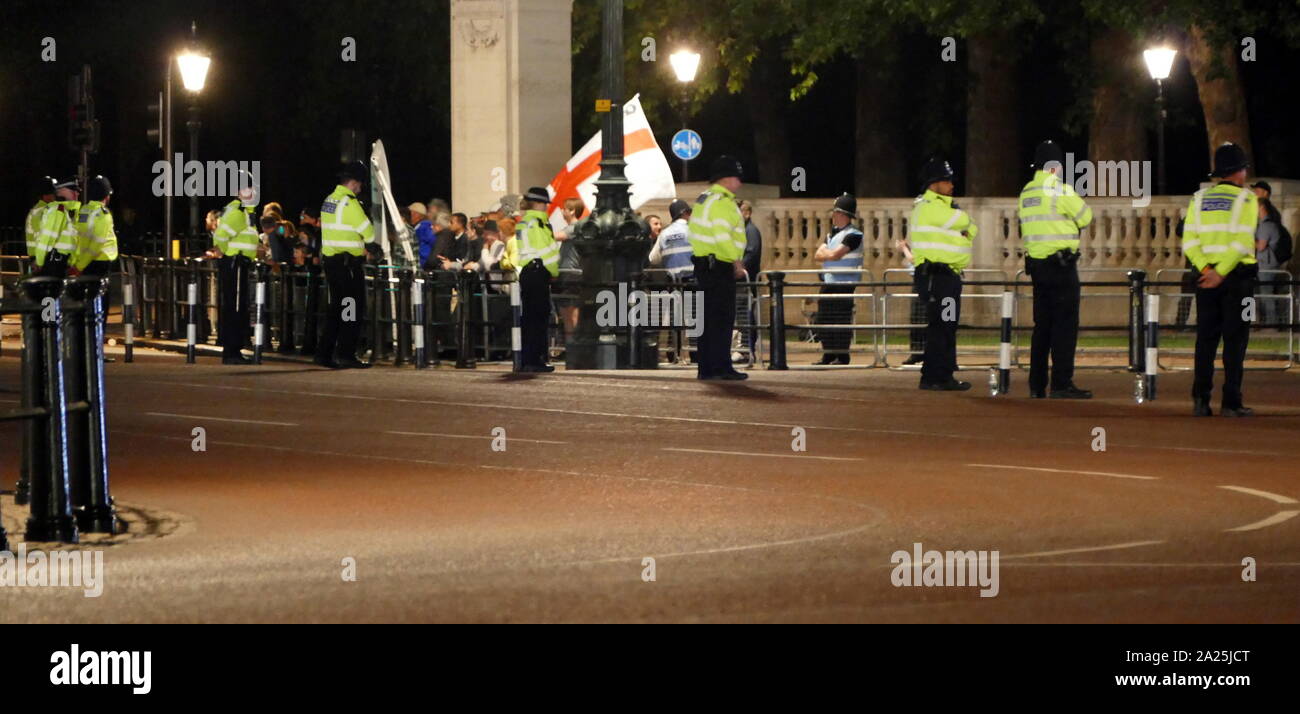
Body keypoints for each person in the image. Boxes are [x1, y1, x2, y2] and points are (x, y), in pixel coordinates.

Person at [1184, 143, 1259, 417]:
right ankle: (1231, 401)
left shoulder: (1198, 199)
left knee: (1205, 339)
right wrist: (1222, 273)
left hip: (1206, 280)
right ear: (1239, 172)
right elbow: (1242, 241)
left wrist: (1208, 271)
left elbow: (1189, 242)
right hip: (1239, 279)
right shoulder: (1247, 200)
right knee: (1236, 339)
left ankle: (1201, 400)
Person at [1017, 140, 1094, 399]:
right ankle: (1061, 383)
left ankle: (1036, 384)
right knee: (1065, 326)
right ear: (1054, 167)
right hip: (1062, 269)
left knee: (1042, 327)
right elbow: (1086, 217)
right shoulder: (1059, 191)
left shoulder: (1026, 193)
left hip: (1037, 269)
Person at [910, 158, 977, 391]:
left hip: (945, 277)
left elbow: (973, 229)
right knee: (943, 324)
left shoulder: (939, 207)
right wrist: (963, 223)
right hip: (939, 278)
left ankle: (936, 375)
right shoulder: (930, 207)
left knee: (944, 324)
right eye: (946, 180)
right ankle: (938, 376)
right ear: (933, 183)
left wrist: (964, 225)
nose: (951, 184)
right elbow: (966, 222)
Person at [688, 155, 749, 381]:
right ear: (726, 179)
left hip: (703, 265)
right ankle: (722, 367)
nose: (740, 183)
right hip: (719, 266)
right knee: (723, 319)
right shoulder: (723, 201)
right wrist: (736, 261)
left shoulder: (704, 199)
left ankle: (706, 368)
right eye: (737, 177)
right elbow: (722, 235)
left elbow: (694, 233)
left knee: (706, 320)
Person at [316, 161, 378, 369]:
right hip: (348, 266)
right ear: (353, 183)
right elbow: (368, 232)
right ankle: (346, 353)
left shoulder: (329, 201)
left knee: (335, 309)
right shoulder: (349, 203)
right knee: (350, 309)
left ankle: (324, 353)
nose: (360, 188)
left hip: (332, 262)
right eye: (360, 183)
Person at [502, 187, 559, 372]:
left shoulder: (526, 222)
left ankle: (530, 359)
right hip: (538, 273)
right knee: (538, 318)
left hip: (531, 272)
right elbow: (546, 250)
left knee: (531, 318)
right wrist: (553, 270)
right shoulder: (537, 222)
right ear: (540, 204)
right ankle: (534, 360)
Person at [213, 180, 261, 364]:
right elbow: (220, 236)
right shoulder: (238, 212)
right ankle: (232, 352)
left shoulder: (245, 212)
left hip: (238, 262)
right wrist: (229, 254)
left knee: (237, 307)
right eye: (249, 189)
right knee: (235, 308)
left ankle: (234, 350)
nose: (253, 192)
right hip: (236, 263)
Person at [812, 193, 864, 365]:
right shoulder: (831, 234)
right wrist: (829, 255)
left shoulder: (854, 235)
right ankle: (828, 353)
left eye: (835, 212)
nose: (833, 216)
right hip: (829, 282)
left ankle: (842, 355)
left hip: (845, 284)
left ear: (843, 214)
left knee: (840, 319)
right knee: (823, 318)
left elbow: (834, 255)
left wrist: (827, 255)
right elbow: (816, 255)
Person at [1250, 181, 1286, 328]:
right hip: (1259, 263)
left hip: (1264, 264)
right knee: (1253, 295)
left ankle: (1271, 325)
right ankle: (1254, 323)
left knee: (1266, 295)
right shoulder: (1265, 222)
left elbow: (1261, 245)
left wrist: (1247, 239)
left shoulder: (1268, 223)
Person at [33, 177, 82, 278]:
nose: (77, 193)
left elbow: (74, 240)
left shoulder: (72, 211)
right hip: (55, 262)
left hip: (64, 263)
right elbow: (46, 238)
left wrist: (74, 262)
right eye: (73, 190)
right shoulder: (57, 210)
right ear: (62, 191)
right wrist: (40, 262)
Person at [72, 175, 119, 277]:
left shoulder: (83, 210)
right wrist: (79, 266)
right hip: (101, 262)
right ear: (107, 196)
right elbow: (97, 244)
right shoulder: (103, 214)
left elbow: (76, 237)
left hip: (84, 261)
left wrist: (77, 264)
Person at [649, 199, 694, 280]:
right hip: (693, 281)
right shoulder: (694, 230)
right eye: (689, 212)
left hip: (673, 283)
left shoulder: (664, 234)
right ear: (684, 213)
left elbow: (653, 259)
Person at [25, 176, 56, 258]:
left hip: (38, 255)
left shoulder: (38, 209)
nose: (54, 197)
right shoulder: (42, 211)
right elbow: (41, 237)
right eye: (52, 194)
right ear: (46, 195)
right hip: (39, 257)